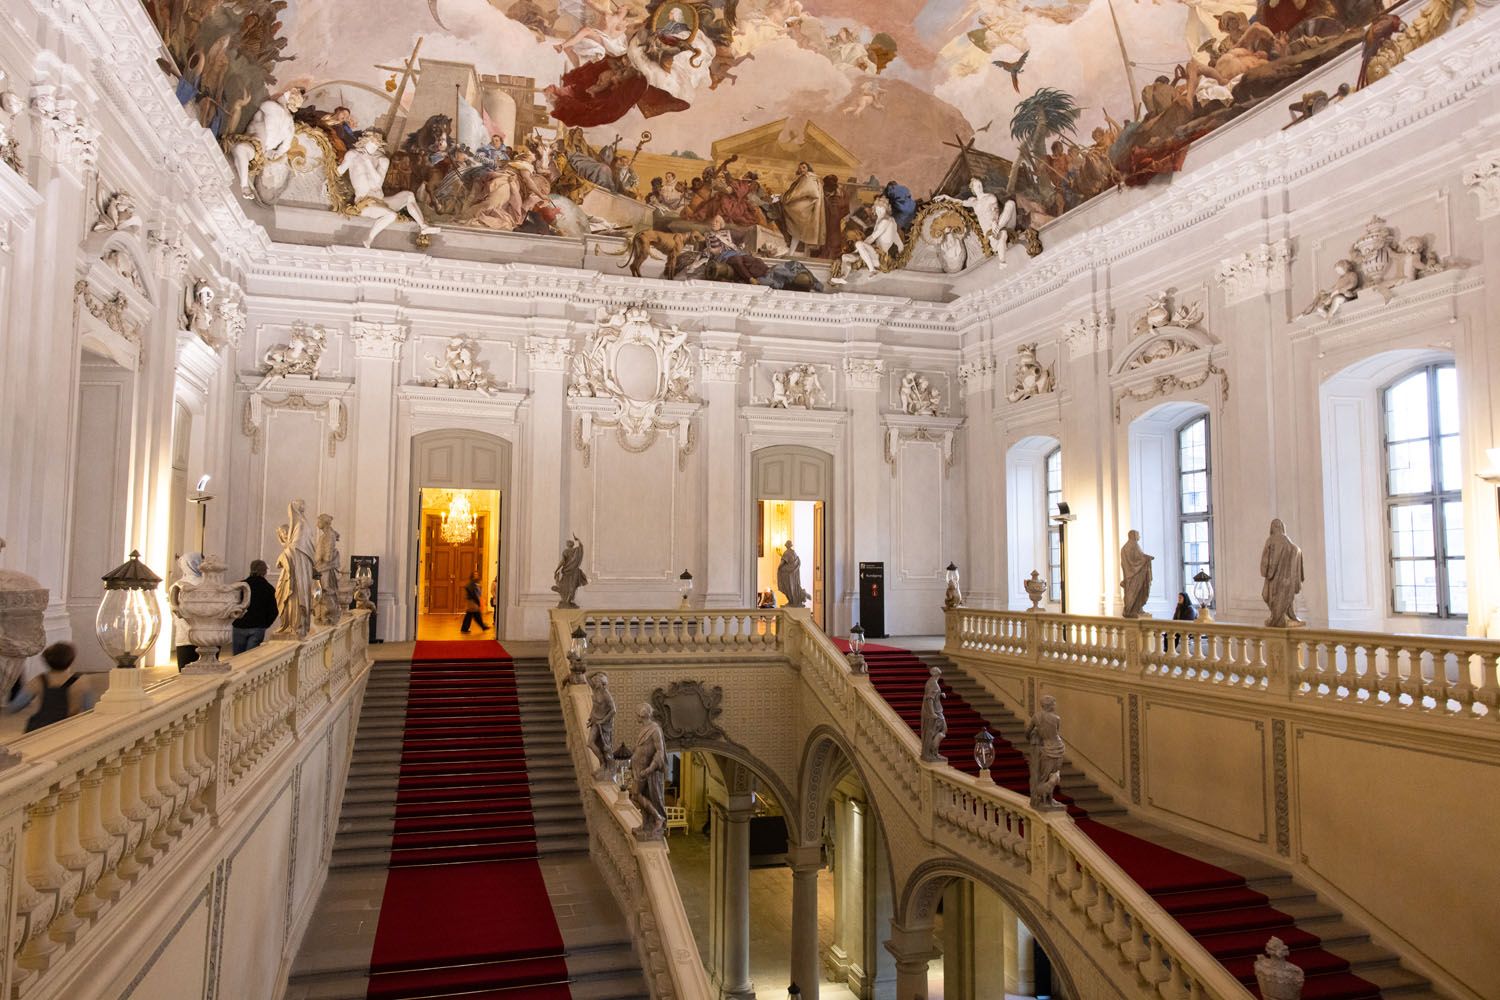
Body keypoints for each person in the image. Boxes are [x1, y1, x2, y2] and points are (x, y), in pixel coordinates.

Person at [17, 643, 84, 733]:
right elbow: (89, 709)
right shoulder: (79, 681)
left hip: (41, 727)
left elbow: (17, 705)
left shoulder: (39, 680)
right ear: (71, 660)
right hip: (67, 728)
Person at [232, 560, 278, 654]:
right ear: (264, 571)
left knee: (237, 658)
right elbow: (274, 611)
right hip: (257, 627)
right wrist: (265, 624)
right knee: (250, 658)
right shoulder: (268, 588)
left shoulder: (241, 586)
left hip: (239, 626)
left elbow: (232, 605)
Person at [172, 552, 205, 668]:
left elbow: (174, 610)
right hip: (208, 635)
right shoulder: (208, 583)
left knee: (185, 672)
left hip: (184, 635)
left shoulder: (177, 585)